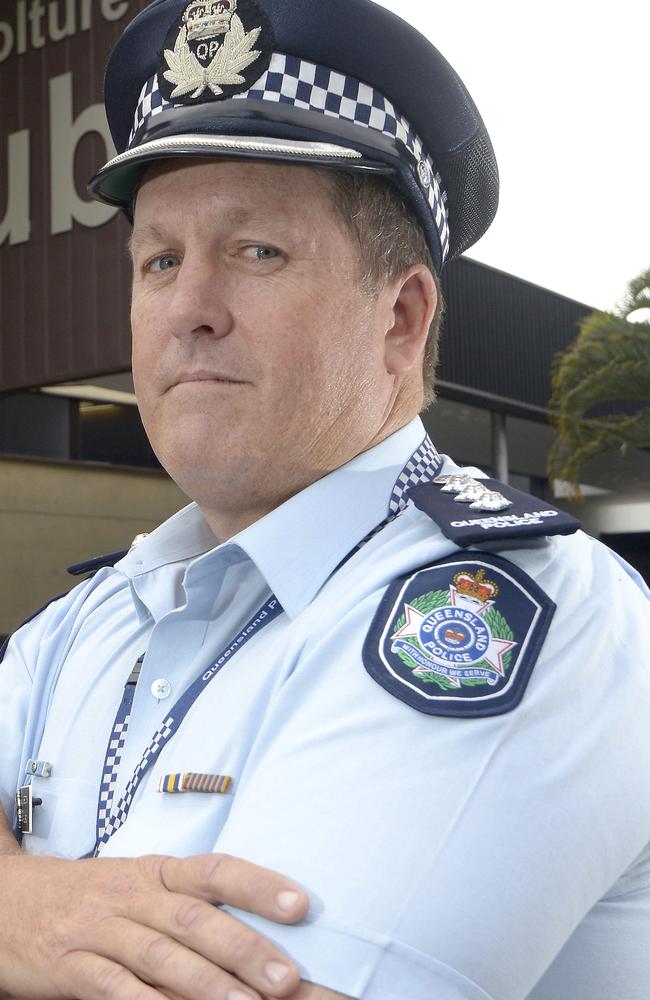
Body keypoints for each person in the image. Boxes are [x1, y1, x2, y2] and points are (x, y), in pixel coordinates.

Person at [1, 1, 649, 998]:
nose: (189, 310)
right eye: (160, 260)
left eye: (256, 251)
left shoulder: (509, 615)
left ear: (399, 317)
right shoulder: (89, 617)